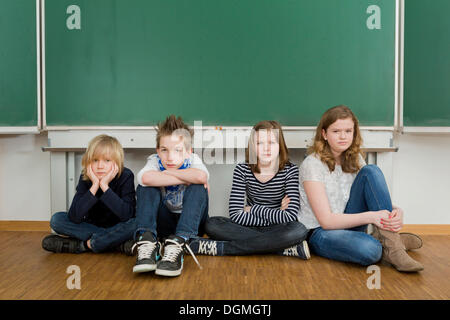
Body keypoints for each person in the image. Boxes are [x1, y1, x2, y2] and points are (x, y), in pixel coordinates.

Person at [298, 105, 423, 272]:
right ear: (324, 134)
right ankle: (392, 244)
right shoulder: (312, 164)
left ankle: (392, 245)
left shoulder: (354, 158)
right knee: (370, 250)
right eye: (336, 131)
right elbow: (326, 221)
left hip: (350, 224)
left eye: (348, 131)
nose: (343, 136)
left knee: (372, 171)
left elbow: (371, 193)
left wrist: (396, 210)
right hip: (321, 233)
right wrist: (372, 216)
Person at [190, 120, 310, 259]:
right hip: (249, 227)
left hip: (274, 227)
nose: (266, 148)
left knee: (299, 230)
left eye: (271, 143)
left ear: (280, 145)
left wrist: (253, 209)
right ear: (253, 146)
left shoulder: (290, 171)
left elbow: (289, 216)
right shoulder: (242, 170)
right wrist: (277, 214)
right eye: (260, 143)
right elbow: (235, 214)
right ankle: (279, 248)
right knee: (212, 224)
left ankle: (223, 248)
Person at [131, 115, 209, 277]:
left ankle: (179, 243)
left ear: (188, 152)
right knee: (146, 187)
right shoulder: (154, 161)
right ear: (158, 151)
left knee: (198, 187)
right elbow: (144, 178)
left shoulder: (194, 160)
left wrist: (168, 173)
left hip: (191, 224)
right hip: (164, 223)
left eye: (178, 150)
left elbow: (201, 177)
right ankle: (148, 241)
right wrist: (183, 176)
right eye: (164, 150)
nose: (170, 157)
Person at [42, 134, 136, 254]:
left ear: (117, 163)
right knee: (57, 220)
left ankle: (85, 245)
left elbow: (127, 215)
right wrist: (95, 185)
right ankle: (114, 243)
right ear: (88, 161)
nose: (100, 166)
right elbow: (74, 216)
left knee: (136, 223)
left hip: (119, 226)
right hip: (92, 227)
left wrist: (105, 187)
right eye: (95, 160)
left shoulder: (126, 176)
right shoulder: (86, 177)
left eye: (107, 160)